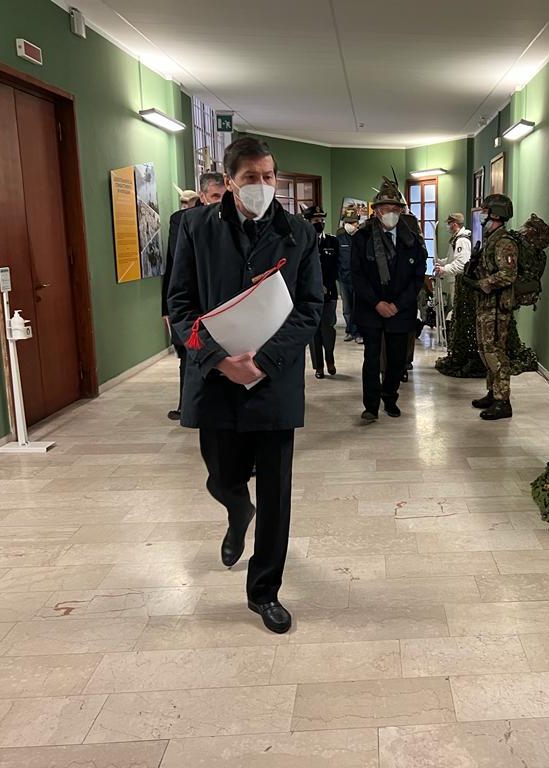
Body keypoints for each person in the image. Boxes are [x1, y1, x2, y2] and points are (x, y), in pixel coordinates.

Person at [167, 136, 323, 634]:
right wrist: (217, 359)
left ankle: (264, 591)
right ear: (230, 182)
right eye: (251, 177)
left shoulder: (298, 233)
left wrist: (266, 361)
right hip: (217, 380)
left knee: (276, 494)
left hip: (272, 381)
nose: (262, 184)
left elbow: (311, 307)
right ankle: (238, 510)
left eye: (268, 175)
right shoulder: (195, 228)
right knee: (222, 476)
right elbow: (180, 307)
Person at [350, 177, 427, 422]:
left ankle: (390, 397)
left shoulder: (412, 240)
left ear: (401, 211)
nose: (390, 213)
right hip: (371, 308)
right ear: (376, 211)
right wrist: (376, 303)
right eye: (385, 208)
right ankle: (371, 406)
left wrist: (397, 305)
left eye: (395, 209)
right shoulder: (362, 238)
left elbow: (417, 278)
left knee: (396, 359)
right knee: (372, 358)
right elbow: (356, 275)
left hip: (400, 310)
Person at [161, 173, 227, 420]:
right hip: (192, 301)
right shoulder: (183, 221)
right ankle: (186, 404)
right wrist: (166, 308)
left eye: (224, 196)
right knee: (189, 353)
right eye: (215, 196)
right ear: (203, 196)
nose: (220, 201)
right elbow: (173, 266)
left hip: (221, 299)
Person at [469, 193, 519, 421]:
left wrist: (483, 283)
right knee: (484, 350)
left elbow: (508, 274)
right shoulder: (491, 238)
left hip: (497, 308)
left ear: (496, 214)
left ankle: (503, 401)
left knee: (494, 352)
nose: (482, 215)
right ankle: (493, 392)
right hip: (485, 305)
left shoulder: (504, 242)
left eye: (485, 211)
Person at [303, 204, 339, 378]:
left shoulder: (332, 241)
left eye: (322, 220)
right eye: (316, 220)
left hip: (329, 293)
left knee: (328, 328)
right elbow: (302, 269)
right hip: (310, 294)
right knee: (314, 331)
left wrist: (326, 285)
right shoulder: (303, 242)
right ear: (308, 222)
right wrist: (315, 286)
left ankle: (330, 359)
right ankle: (318, 366)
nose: (320, 222)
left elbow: (336, 267)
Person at [435, 212, 472, 311]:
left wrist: (444, 269)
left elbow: (461, 264)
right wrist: (440, 262)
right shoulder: (456, 239)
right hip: (454, 280)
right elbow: (452, 259)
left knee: (458, 309)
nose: (448, 226)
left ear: (454, 224)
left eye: (449, 223)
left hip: (459, 281)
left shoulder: (462, 241)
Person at [336, 206, 361, 343]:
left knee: (358, 307)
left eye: (353, 222)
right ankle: (350, 331)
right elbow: (336, 258)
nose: (350, 225)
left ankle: (358, 333)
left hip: (358, 279)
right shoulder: (339, 237)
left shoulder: (362, 237)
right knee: (347, 308)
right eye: (348, 222)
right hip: (344, 278)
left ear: (358, 223)